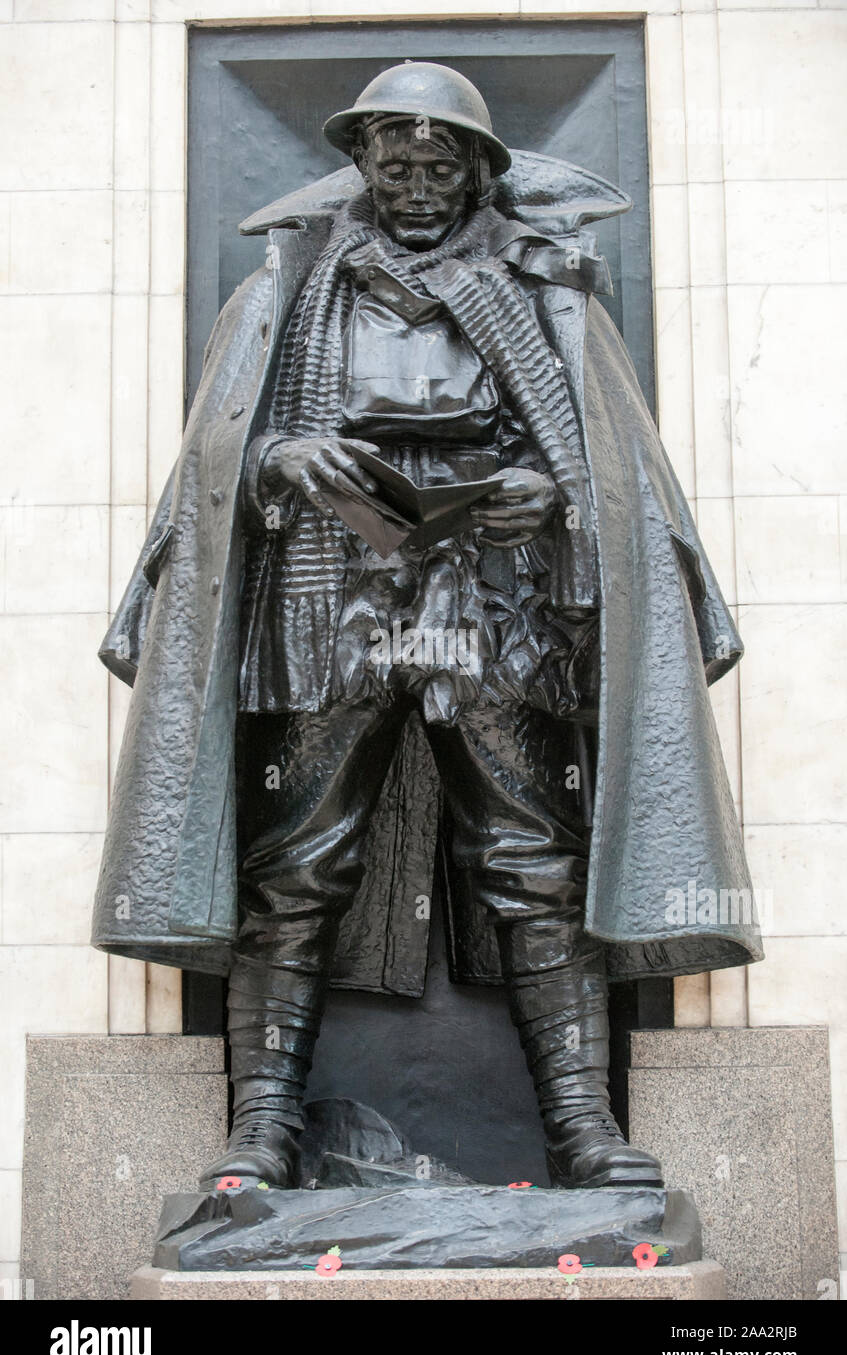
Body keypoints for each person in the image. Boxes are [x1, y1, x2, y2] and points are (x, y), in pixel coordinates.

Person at [92, 63, 762, 1192]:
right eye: (392, 163)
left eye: (438, 164)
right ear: (358, 164)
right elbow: (222, 453)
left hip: (494, 599)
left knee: (533, 862)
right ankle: (261, 1130)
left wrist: (550, 496)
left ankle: (581, 1127)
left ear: (478, 171)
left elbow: (606, 461)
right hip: (323, 593)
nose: (413, 184)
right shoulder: (286, 288)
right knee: (294, 865)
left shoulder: (543, 287)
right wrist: (280, 455)